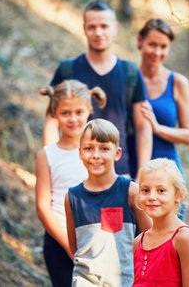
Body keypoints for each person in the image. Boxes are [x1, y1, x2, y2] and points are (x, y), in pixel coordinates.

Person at [44, 0, 152, 178]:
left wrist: (142, 174)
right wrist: (53, 167)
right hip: (74, 173)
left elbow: (143, 129)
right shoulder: (68, 70)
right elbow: (52, 121)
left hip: (120, 172)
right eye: (92, 27)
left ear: (115, 28)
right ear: (84, 28)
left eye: (104, 26)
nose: (98, 32)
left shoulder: (130, 72)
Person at [35, 80, 106, 287]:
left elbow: (109, 197)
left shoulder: (99, 150)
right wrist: (69, 246)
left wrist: (111, 240)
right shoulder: (47, 155)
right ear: (54, 113)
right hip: (59, 242)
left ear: (89, 110)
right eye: (66, 113)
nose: (73, 119)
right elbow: (42, 207)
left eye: (78, 112)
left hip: (97, 241)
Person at [65, 119, 152, 287]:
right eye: (89, 148)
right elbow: (74, 246)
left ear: (117, 153)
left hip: (124, 281)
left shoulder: (131, 191)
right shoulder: (72, 197)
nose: (96, 155)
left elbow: (150, 238)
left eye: (104, 149)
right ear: (80, 153)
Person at [136, 18, 189, 179]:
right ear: (140, 41)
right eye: (152, 44)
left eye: (163, 47)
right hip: (132, 168)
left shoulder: (177, 82)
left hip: (167, 172)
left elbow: (188, 135)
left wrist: (157, 128)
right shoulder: (128, 79)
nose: (157, 52)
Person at [133, 158, 189, 287]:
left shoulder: (183, 238)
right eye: (145, 190)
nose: (152, 196)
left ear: (178, 195)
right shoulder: (138, 242)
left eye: (161, 190)